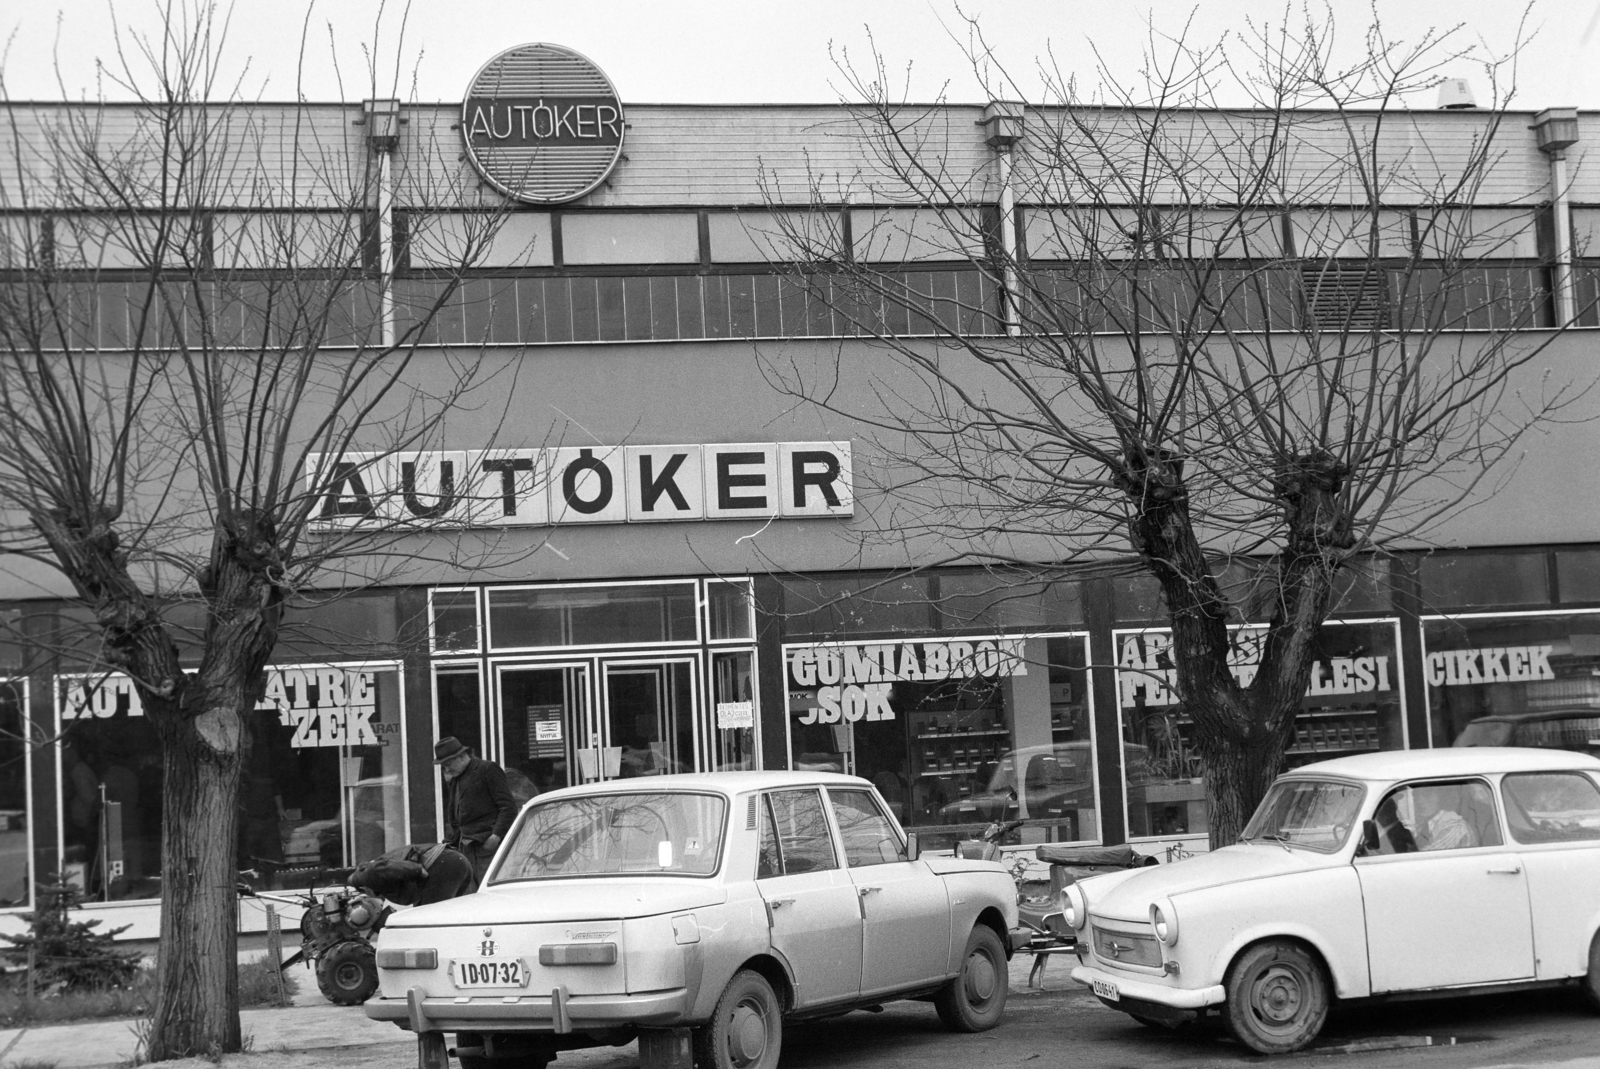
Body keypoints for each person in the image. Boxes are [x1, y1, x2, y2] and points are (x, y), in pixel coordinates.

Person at [436, 737, 516, 889]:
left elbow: (508, 807)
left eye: (448, 765)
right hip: (466, 847)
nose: (447, 770)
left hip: (486, 845)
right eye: (443, 767)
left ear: (461, 756)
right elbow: (455, 814)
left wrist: (495, 836)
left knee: (490, 891)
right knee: (471, 893)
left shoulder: (487, 769)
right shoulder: (455, 778)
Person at [348, 843, 473, 906]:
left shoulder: (369, 874)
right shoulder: (375, 871)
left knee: (429, 921)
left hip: (443, 864)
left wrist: (417, 871)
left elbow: (415, 869)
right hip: (457, 861)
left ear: (364, 888)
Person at [1416, 786, 1476, 851]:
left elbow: (1429, 854)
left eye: (1427, 795)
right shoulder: (1426, 824)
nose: (1419, 801)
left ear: (1441, 797)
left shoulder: (1456, 825)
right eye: (1416, 796)